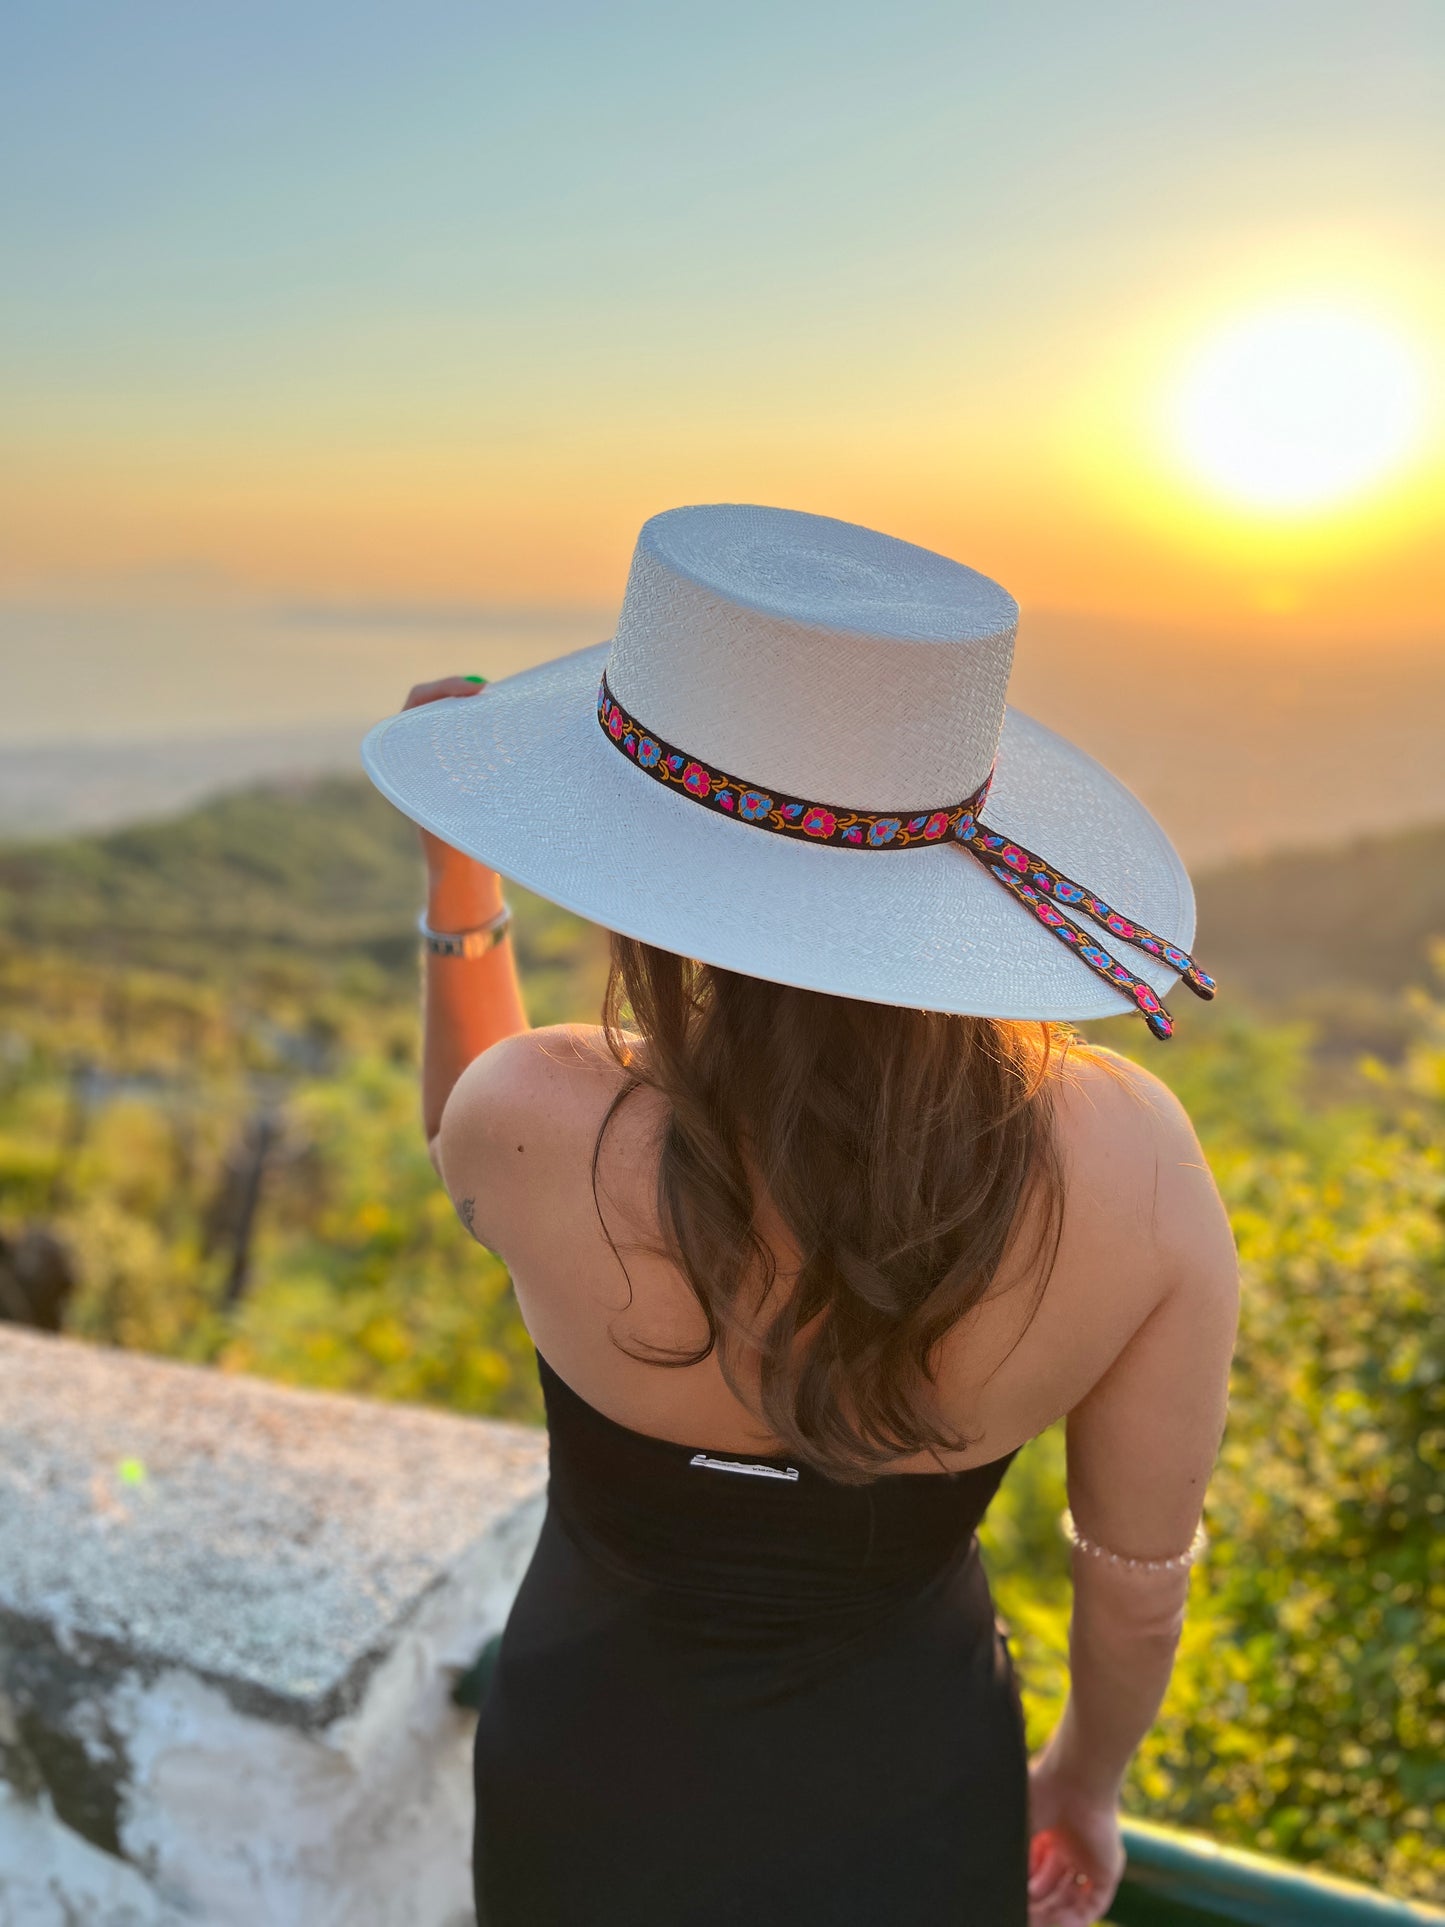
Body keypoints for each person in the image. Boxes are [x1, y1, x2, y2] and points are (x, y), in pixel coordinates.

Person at [361, 505, 1241, 1926]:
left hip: (583, 1773)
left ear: (635, 864)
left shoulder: (527, 1121)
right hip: (908, 1792)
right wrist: (1083, 1778)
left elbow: (466, 1124)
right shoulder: (1129, 1158)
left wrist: (458, 890)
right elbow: (1133, 1576)